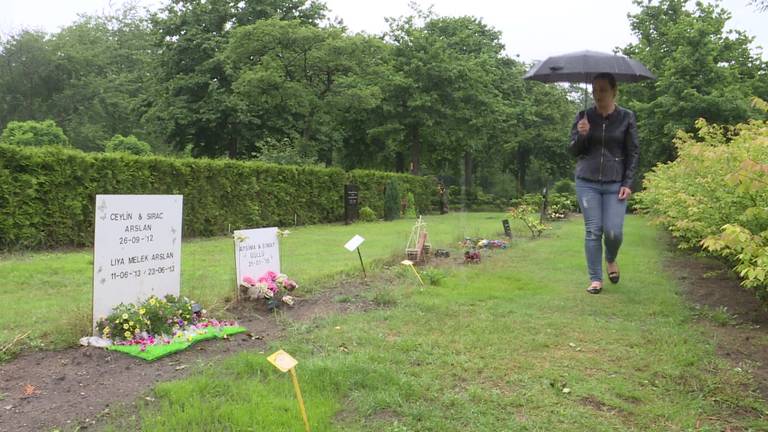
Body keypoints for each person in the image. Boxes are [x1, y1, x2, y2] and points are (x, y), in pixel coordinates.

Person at [569, 72, 639, 294]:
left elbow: (633, 152)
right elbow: (572, 151)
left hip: (615, 182)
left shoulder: (626, 117)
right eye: (595, 90)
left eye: (603, 90)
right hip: (586, 181)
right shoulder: (584, 116)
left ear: (614, 91)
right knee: (593, 231)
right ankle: (596, 279)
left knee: (613, 232)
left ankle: (610, 258)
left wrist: (628, 182)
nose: (598, 94)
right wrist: (582, 135)